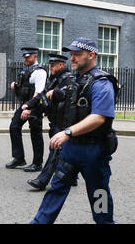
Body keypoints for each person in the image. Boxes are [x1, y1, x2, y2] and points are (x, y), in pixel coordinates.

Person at [31, 37, 118, 224]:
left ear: (91, 55)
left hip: (93, 150)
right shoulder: (75, 80)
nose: (72, 58)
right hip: (71, 149)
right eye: (71, 54)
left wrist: (67, 132)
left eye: (77, 54)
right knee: (56, 189)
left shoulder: (102, 83)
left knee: (99, 194)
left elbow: (99, 117)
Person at [21, 53, 78, 191]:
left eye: (53, 65)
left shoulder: (69, 79)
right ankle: (72, 176)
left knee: (55, 149)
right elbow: (42, 95)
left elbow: (65, 93)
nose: (50, 67)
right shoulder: (54, 79)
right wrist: (29, 105)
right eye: (50, 65)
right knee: (67, 151)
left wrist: (56, 92)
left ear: (61, 65)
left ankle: (42, 180)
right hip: (56, 121)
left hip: (66, 122)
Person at [6, 47, 47, 172]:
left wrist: (30, 108)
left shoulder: (40, 72)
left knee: (36, 133)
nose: (25, 59)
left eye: (28, 57)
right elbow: (24, 87)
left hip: (35, 106)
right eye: (24, 57)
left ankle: (37, 163)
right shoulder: (26, 70)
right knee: (14, 126)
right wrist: (15, 85)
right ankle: (19, 158)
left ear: (35, 56)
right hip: (25, 104)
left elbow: (39, 92)